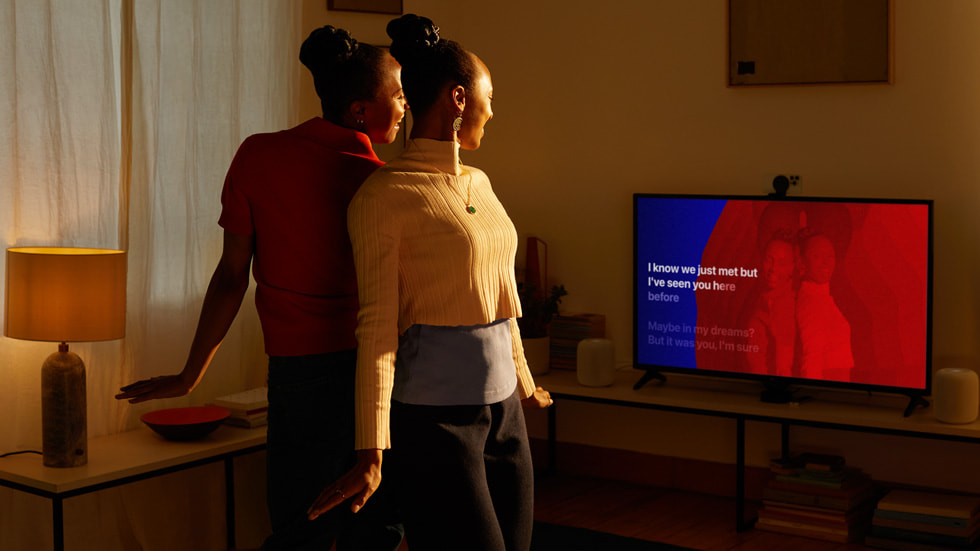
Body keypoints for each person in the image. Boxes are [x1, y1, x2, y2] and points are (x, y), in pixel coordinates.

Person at [115, 25, 407, 551]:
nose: (406, 105)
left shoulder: (258, 155)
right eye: (399, 93)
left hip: (299, 374)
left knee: (300, 525)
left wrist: (190, 373)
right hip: (377, 372)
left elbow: (232, 275)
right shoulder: (385, 181)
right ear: (361, 110)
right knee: (376, 526)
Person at [306, 14, 552, 551]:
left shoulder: (480, 183)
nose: (495, 108)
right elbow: (375, 328)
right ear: (460, 98)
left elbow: (499, 296)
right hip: (436, 423)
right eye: (491, 95)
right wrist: (372, 452)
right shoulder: (383, 196)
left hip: (505, 411)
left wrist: (525, 383)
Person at [796, 229, 854, 380]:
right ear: (802, 261)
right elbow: (811, 359)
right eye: (817, 256)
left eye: (830, 256)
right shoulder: (811, 301)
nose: (826, 262)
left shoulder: (821, 296)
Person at [744, 230, 798, 377]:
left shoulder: (786, 306)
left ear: (792, 268)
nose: (773, 269)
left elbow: (783, 368)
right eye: (769, 260)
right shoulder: (763, 299)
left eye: (782, 263)